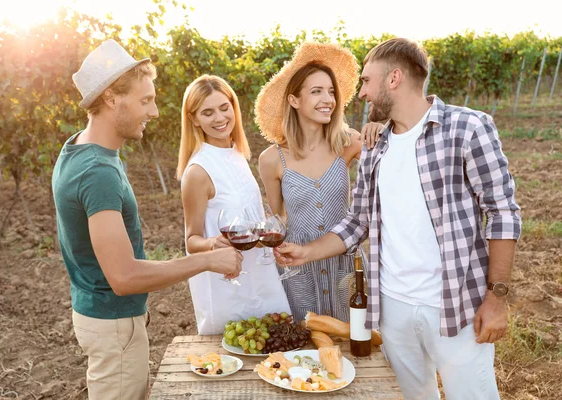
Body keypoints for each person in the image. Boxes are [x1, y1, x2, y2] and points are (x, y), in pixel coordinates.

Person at [275, 38, 522, 400]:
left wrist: (497, 297)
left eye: (366, 81)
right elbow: (357, 223)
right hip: (392, 307)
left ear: (393, 78)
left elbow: (503, 213)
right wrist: (305, 252)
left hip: (454, 304)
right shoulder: (377, 147)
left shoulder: (467, 128)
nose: (361, 94)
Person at [52, 40, 242, 399]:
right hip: (113, 324)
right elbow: (124, 278)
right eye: (145, 100)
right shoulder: (97, 172)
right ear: (111, 98)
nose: (154, 112)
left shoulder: (76, 149)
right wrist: (206, 260)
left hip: (102, 318)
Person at [255, 41, 383, 324]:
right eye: (316, 92)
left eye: (331, 91)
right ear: (294, 100)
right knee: (305, 345)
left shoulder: (347, 143)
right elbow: (278, 219)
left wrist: (379, 128)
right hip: (299, 270)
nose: (328, 99)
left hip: (345, 263)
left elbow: (392, 160)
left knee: (355, 338)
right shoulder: (271, 159)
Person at [177, 74, 291, 335]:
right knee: (233, 357)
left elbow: (251, 215)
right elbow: (191, 240)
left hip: (260, 274)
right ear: (194, 119)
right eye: (207, 112)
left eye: (224, 107)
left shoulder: (237, 155)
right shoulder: (198, 171)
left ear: (233, 107)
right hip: (227, 285)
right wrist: (212, 244)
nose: (219, 118)